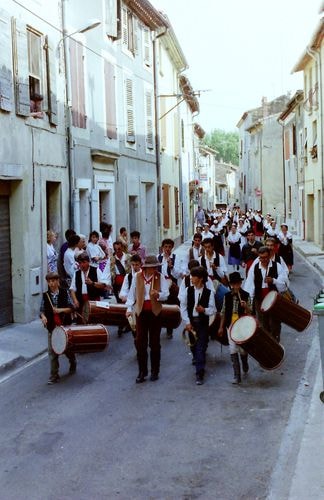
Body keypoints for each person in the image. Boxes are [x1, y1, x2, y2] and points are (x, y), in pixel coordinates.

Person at [125, 255, 169, 383]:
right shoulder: (137, 276)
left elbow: (166, 294)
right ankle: (142, 372)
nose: (153, 269)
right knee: (140, 343)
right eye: (151, 267)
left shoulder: (159, 277)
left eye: (155, 267)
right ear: (146, 267)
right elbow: (131, 295)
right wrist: (128, 309)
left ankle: (155, 371)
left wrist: (159, 295)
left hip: (155, 313)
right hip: (141, 313)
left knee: (155, 343)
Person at [180, 266, 216, 385]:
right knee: (194, 346)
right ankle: (197, 360)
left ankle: (199, 373)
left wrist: (203, 310)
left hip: (202, 323)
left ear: (200, 278)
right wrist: (187, 322)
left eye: (193, 276)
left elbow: (212, 310)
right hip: (192, 322)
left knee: (200, 347)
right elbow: (183, 307)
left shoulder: (209, 293)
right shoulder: (188, 290)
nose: (191, 278)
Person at [243, 246, 287, 342]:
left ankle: (276, 343)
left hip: (274, 300)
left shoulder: (277, 266)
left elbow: (284, 285)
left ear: (269, 256)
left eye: (265, 257)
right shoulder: (255, 268)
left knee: (275, 323)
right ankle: (268, 343)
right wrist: (249, 302)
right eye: (261, 258)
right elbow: (250, 285)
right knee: (263, 323)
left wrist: (274, 281)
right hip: (260, 300)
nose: (263, 260)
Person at [40, 272, 76, 385]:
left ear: (57, 281)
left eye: (53, 281)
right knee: (52, 352)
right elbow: (41, 310)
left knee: (66, 349)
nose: (51, 284)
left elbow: (72, 308)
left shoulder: (65, 293)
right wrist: (43, 317)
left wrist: (60, 310)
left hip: (64, 326)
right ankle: (54, 375)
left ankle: (72, 360)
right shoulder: (45, 295)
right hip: (52, 328)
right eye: (49, 281)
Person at [218, 272, 251, 384]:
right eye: (233, 284)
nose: (236, 286)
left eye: (238, 284)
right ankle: (237, 376)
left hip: (242, 326)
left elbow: (251, 313)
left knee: (242, 350)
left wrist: (245, 306)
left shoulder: (246, 295)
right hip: (230, 325)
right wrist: (221, 327)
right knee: (232, 349)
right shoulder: (227, 296)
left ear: (240, 283)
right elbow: (223, 312)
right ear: (231, 285)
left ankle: (245, 363)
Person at [69, 252, 110, 317]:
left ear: (89, 262)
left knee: (94, 320)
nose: (82, 265)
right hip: (81, 301)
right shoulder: (76, 273)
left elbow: (103, 285)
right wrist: (75, 300)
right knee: (81, 322)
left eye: (84, 262)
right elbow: (72, 289)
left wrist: (92, 283)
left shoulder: (96, 270)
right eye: (80, 263)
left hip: (94, 300)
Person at [157, 238, 181, 339]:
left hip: (171, 285)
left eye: (169, 247)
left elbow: (178, 275)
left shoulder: (176, 258)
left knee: (170, 308)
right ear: (162, 247)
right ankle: (158, 327)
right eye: (165, 247)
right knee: (159, 308)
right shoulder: (158, 257)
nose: (167, 249)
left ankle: (169, 329)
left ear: (172, 248)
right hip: (160, 286)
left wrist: (171, 267)